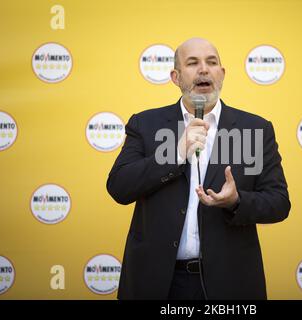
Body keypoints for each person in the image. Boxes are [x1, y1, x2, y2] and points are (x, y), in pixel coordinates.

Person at [106, 38, 291, 300]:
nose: (204, 70)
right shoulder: (145, 124)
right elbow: (119, 187)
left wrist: (237, 201)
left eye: (211, 62)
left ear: (222, 74)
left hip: (230, 283)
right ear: (176, 76)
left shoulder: (255, 130)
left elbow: (279, 203)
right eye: (192, 63)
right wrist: (176, 153)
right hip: (157, 283)